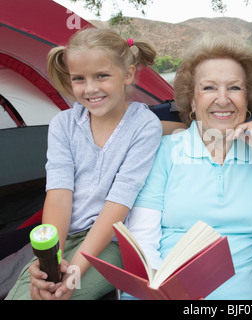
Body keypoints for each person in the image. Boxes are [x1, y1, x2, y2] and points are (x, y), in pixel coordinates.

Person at [120, 34, 252, 300]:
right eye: (209, 88)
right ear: (191, 100)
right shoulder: (165, 152)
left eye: (234, 88)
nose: (223, 100)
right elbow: (142, 241)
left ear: (248, 98)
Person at [5, 27, 163, 300]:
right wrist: (50, 262)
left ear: (127, 75)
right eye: (79, 79)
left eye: (101, 76)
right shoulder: (63, 125)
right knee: (33, 293)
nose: (90, 89)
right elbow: (59, 195)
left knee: (62, 296)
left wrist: (76, 268)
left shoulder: (144, 126)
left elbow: (118, 204)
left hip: (110, 241)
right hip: (64, 234)